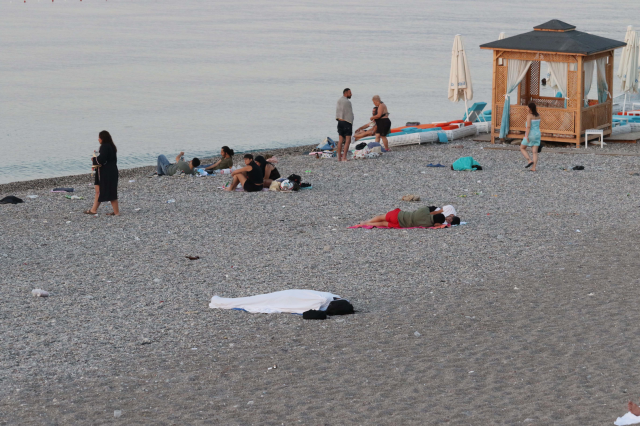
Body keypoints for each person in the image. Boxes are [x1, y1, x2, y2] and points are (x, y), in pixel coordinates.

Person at [85, 130, 119, 216]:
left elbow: (101, 160)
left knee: (109, 192)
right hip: (112, 171)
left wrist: (94, 159)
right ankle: (94, 209)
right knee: (100, 190)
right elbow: (107, 158)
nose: (98, 139)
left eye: (99, 137)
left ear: (102, 138)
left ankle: (116, 212)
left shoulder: (104, 146)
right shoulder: (112, 146)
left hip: (105, 172)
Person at [359, 207, 447, 228]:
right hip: (401, 224)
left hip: (399, 215)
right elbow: (436, 225)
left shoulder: (423, 211)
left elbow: (431, 208)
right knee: (382, 223)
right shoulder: (428, 224)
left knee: (381, 217)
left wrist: (440, 211)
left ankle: (367, 221)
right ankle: (367, 224)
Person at [520, 102, 541, 171]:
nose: (527, 108)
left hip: (531, 134)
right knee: (534, 152)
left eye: (527, 107)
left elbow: (528, 126)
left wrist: (526, 136)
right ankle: (534, 168)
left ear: (530, 108)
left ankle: (529, 160)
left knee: (522, 148)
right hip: (537, 134)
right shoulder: (538, 115)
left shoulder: (529, 115)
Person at [336, 88, 354, 162]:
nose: (351, 94)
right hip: (346, 122)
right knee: (348, 140)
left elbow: (338, 112)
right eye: (350, 93)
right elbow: (349, 114)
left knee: (340, 140)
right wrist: (351, 121)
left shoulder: (339, 100)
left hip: (340, 122)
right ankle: (344, 157)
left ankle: (339, 158)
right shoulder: (347, 102)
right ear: (346, 93)